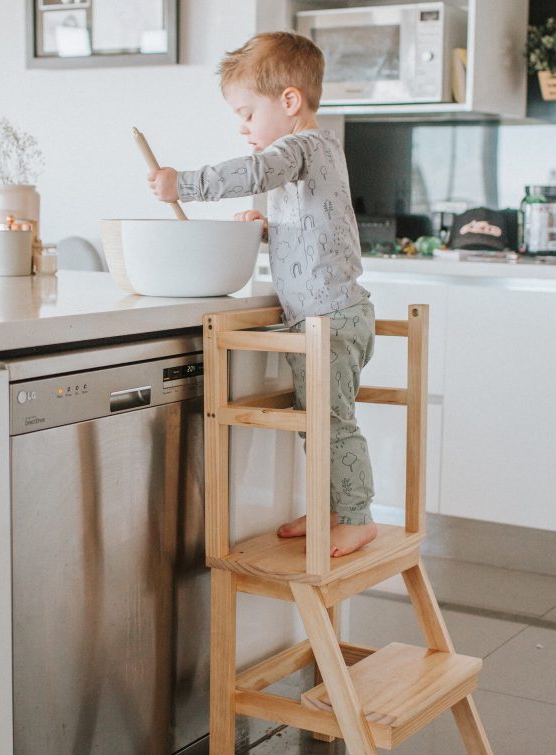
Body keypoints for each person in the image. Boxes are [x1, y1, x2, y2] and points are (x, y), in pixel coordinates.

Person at [148, 31, 376, 557]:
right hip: (325, 316)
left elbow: (253, 170)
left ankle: (358, 515)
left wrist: (183, 183)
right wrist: (272, 229)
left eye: (248, 112)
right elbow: (322, 233)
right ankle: (333, 507)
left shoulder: (301, 146)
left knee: (330, 423)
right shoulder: (315, 156)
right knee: (317, 422)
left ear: (290, 102)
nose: (243, 127)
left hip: (330, 319)